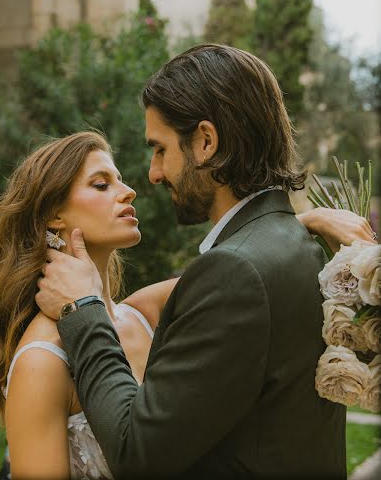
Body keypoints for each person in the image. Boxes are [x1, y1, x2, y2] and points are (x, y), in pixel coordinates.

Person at [36, 44, 377, 480]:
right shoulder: (297, 245)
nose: (153, 174)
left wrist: (81, 310)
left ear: (205, 142)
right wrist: (305, 220)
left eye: (160, 149)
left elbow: (136, 454)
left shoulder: (234, 272)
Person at [0, 129, 371, 480]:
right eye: (101, 184)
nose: (129, 190)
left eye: (120, 179)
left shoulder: (140, 312)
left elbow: (238, 273)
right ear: (54, 215)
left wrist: (313, 218)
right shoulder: (42, 360)